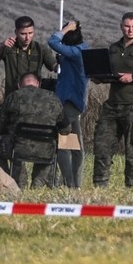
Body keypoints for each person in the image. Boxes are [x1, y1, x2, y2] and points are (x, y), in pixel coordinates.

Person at [0, 15, 57, 185]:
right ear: (16, 33)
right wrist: (2, 45)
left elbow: (55, 67)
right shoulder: (9, 48)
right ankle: (13, 181)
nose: (27, 37)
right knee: (10, 142)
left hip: (36, 107)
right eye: (23, 33)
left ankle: (40, 181)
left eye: (30, 33)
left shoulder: (40, 49)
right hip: (13, 104)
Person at [92, 12, 133, 187]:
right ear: (121, 26)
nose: (130, 30)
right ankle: (99, 187)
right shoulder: (113, 48)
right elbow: (109, 70)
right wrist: (99, 76)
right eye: (127, 26)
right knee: (102, 147)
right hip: (112, 105)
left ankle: (132, 188)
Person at [0, 72, 68, 188]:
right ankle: (39, 183)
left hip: (19, 148)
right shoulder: (53, 98)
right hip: (46, 149)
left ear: (19, 85)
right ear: (38, 84)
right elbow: (66, 129)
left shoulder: (14, 96)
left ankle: (13, 182)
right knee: (48, 147)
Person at [48, 19, 89, 188]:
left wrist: (65, 29)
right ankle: (73, 183)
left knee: (66, 146)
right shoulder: (80, 50)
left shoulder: (76, 52)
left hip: (68, 105)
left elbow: (52, 41)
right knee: (74, 145)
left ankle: (70, 183)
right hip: (72, 104)